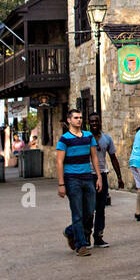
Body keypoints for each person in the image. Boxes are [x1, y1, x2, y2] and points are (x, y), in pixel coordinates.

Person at [56, 109, 101, 256]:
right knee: (77, 213)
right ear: (69, 120)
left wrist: (98, 177)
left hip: (88, 177)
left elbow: (94, 157)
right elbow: (59, 161)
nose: (79, 120)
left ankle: (70, 231)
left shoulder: (88, 136)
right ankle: (81, 246)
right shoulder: (64, 139)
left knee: (89, 212)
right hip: (72, 179)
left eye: (81, 117)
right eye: (76, 118)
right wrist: (61, 184)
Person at [89, 116, 124, 247]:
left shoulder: (106, 139)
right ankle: (86, 236)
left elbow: (113, 157)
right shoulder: (85, 138)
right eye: (91, 121)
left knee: (100, 208)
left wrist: (119, 176)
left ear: (100, 122)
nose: (94, 123)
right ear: (88, 123)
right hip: (88, 175)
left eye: (96, 121)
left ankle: (98, 236)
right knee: (88, 208)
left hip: (102, 175)